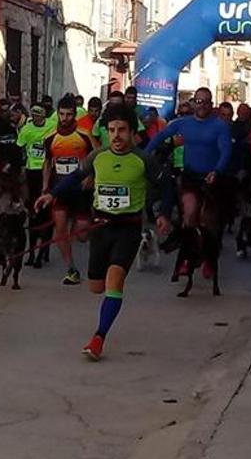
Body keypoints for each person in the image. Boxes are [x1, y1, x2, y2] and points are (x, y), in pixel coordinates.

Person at [35, 104, 174, 361]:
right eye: (112, 130)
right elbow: (75, 176)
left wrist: (163, 213)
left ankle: (98, 338)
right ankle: (103, 316)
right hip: (100, 227)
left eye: (122, 130)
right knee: (96, 287)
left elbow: (167, 184)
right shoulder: (98, 156)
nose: (117, 136)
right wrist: (51, 194)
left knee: (115, 279)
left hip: (129, 228)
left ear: (133, 132)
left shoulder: (143, 159)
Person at [146, 87, 231, 230]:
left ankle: (209, 245)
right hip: (190, 175)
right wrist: (144, 155)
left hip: (212, 176)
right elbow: (159, 137)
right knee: (190, 212)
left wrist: (217, 170)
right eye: (198, 101)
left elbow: (226, 151)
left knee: (208, 220)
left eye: (206, 102)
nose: (202, 105)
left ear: (211, 104)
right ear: (194, 103)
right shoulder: (183, 123)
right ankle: (188, 242)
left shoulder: (220, 126)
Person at [42, 96, 94, 284]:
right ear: (57, 114)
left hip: (81, 190)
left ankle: (79, 223)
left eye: (69, 114)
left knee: (82, 235)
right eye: (62, 114)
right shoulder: (49, 137)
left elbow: (97, 158)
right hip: (59, 189)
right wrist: (44, 187)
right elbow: (47, 163)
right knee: (60, 231)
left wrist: (92, 176)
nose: (65, 118)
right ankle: (71, 269)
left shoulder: (84, 135)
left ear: (74, 115)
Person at [18, 104, 57, 267]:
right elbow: (19, 147)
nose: (37, 118)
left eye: (39, 115)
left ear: (44, 116)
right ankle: (33, 252)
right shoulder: (26, 130)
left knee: (46, 210)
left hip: (47, 170)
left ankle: (44, 250)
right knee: (33, 208)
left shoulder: (52, 126)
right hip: (32, 170)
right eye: (34, 116)